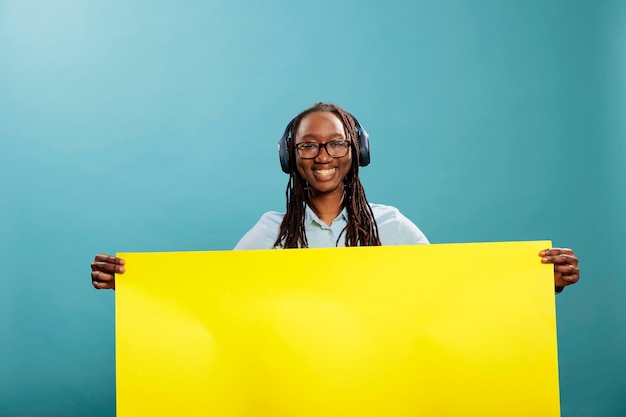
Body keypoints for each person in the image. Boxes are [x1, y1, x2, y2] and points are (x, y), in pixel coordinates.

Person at [91, 102, 580, 291]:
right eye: (308, 143)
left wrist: (539, 285)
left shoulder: (392, 227)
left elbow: (448, 294)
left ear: (356, 151)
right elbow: (216, 295)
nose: (322, 154)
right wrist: (135, 288)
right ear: (291, 155)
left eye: (336, 142)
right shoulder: (269, 232)